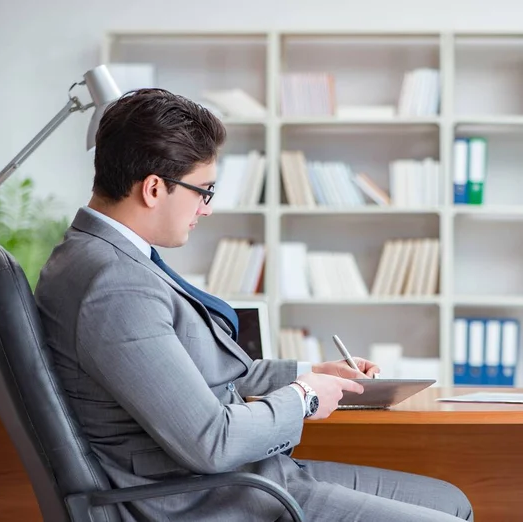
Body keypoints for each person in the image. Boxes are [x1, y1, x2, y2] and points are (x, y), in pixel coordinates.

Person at [34, 88, 473, 522]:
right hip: (213, 500)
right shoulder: (115, 284)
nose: (206, 209)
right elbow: (212, 441)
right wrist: (302, 399)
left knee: (453, 500)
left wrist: (311, 374)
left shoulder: (101, 257)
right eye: (203, 190)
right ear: (153, 189)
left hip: (244, 480)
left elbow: (205, 375)